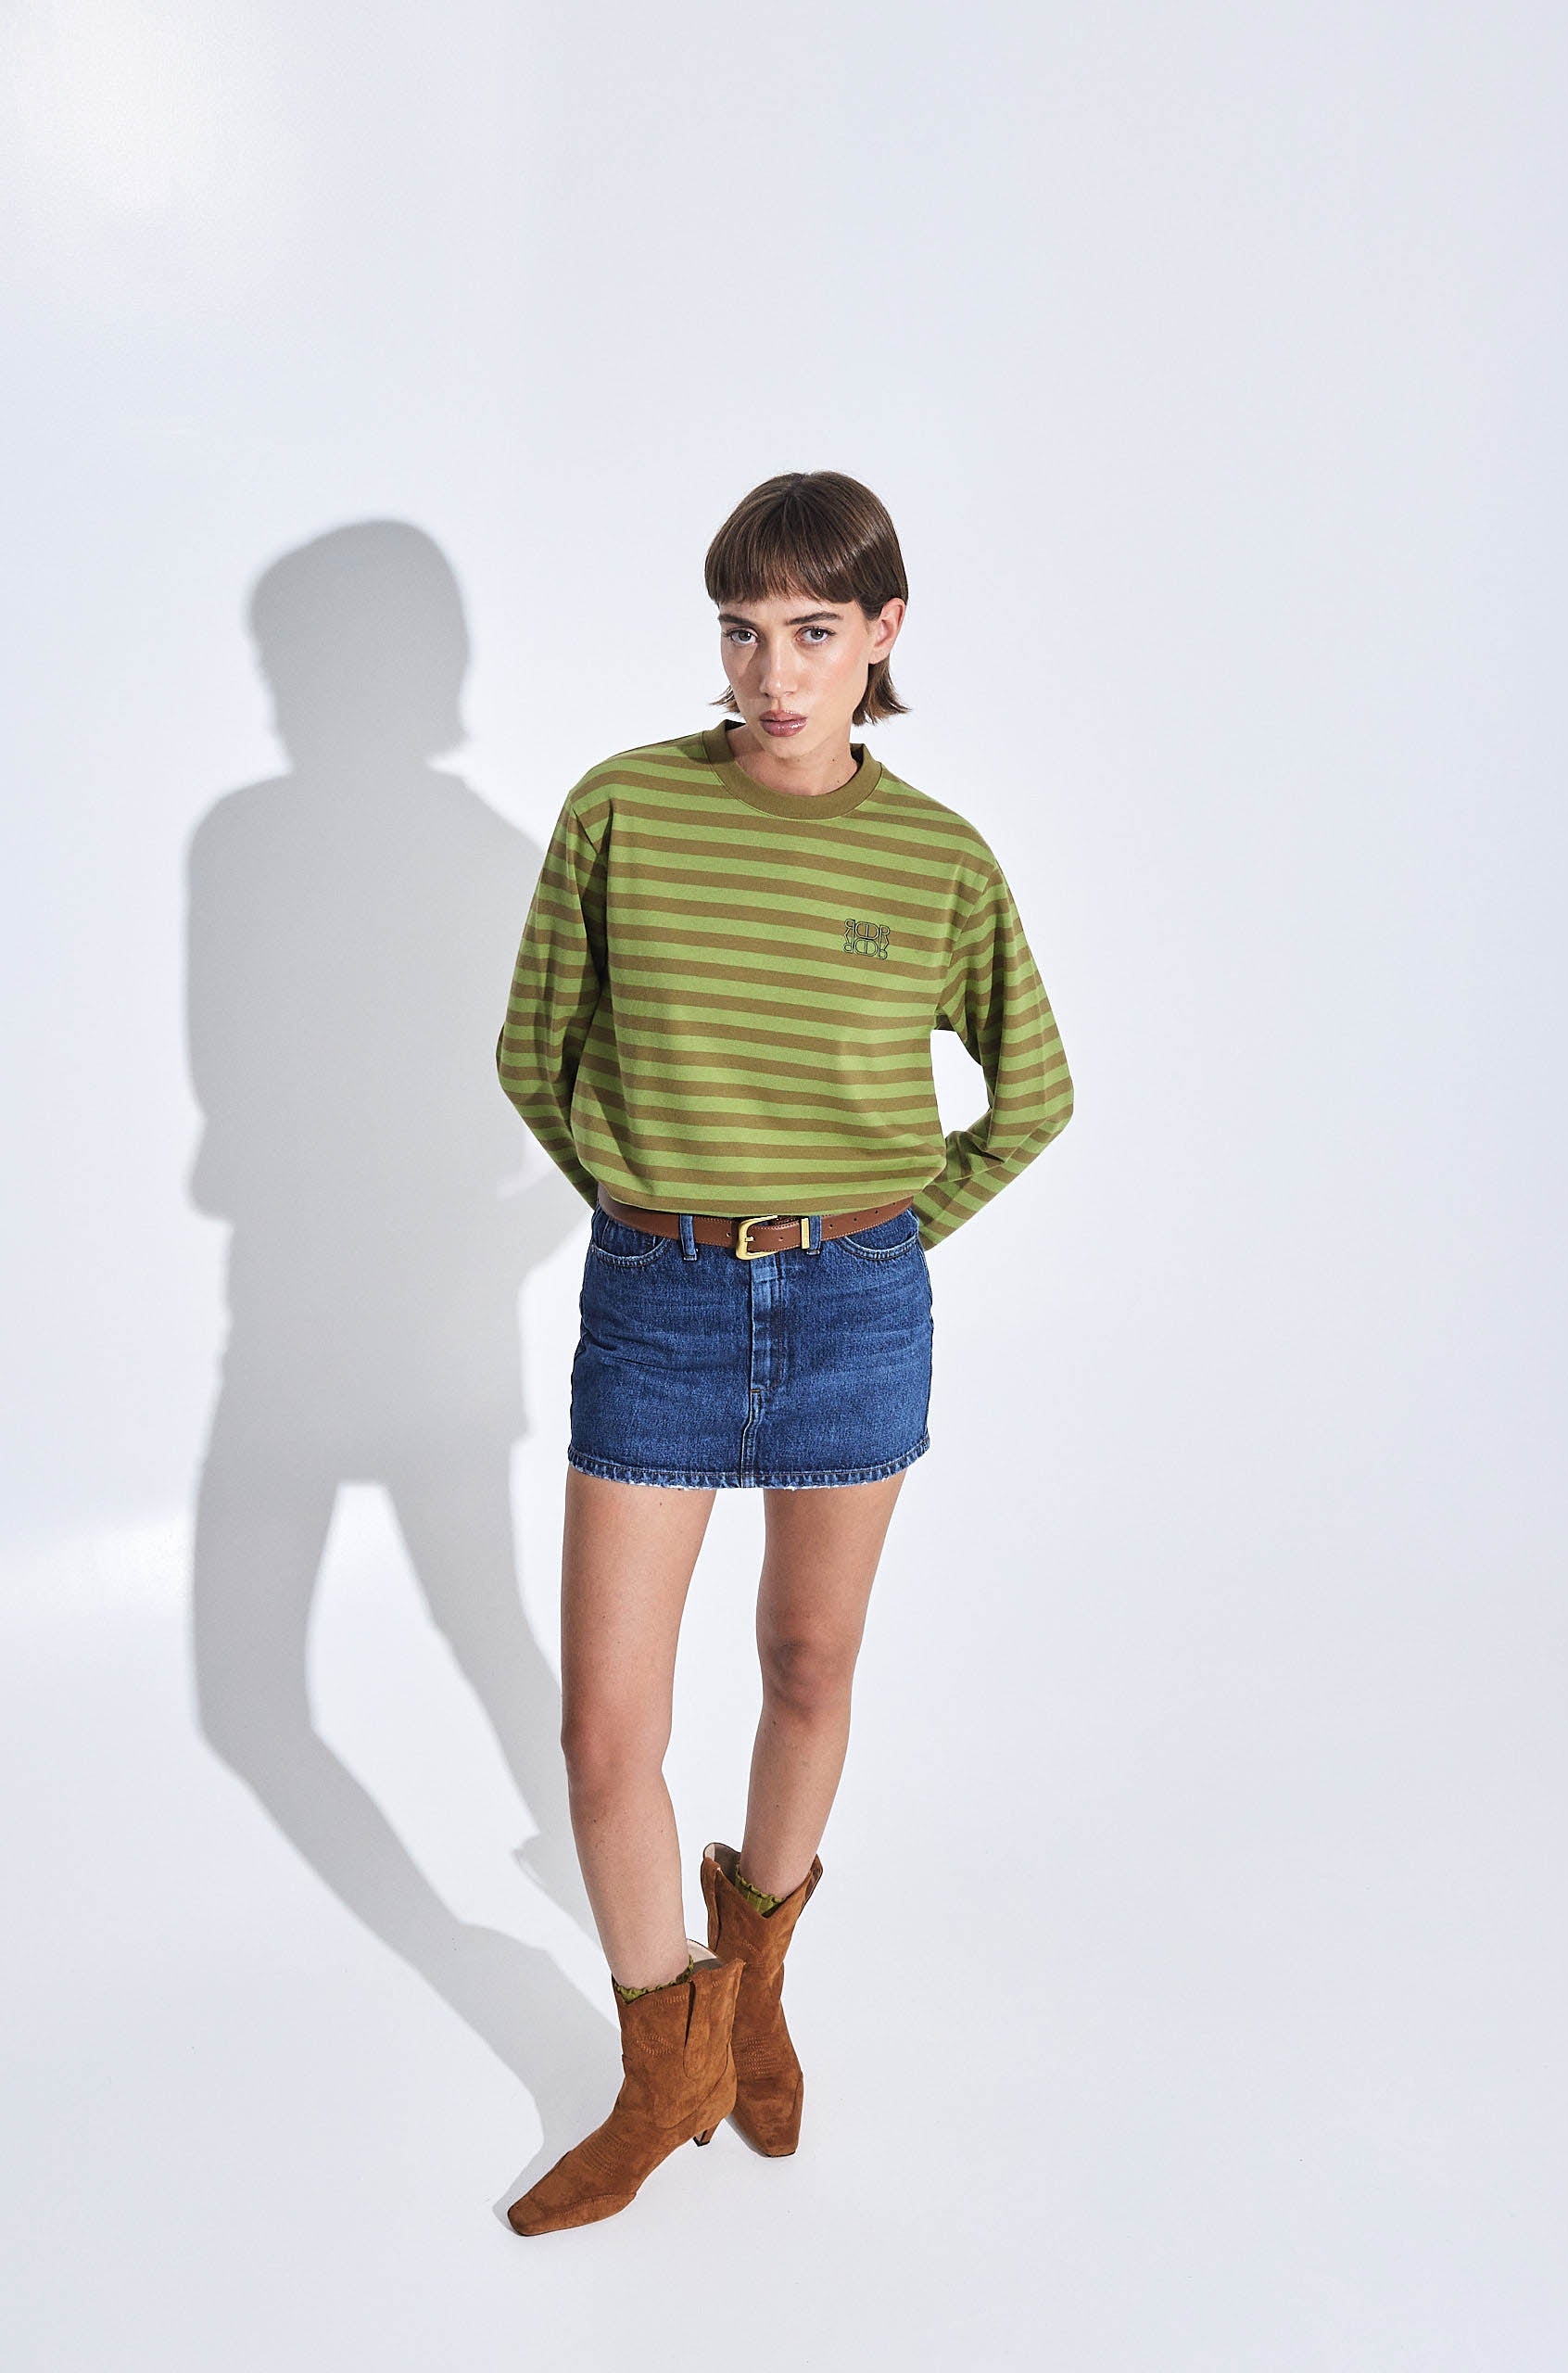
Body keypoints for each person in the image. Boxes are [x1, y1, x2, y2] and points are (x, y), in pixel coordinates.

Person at [494, 470, 1074, 2234]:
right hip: (656, 1303)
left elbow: (1033, 1093)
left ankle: (751, 2001)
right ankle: (662, 2067)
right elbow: (532, 1054)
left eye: (813, 632)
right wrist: (646, 1206)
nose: (772, 672)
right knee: (608, 1729)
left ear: (882, 633)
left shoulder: (936, 857)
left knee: (809, 1665)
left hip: (852, 1308)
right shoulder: (623, 810)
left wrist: (888, 1237)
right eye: (743, 632)